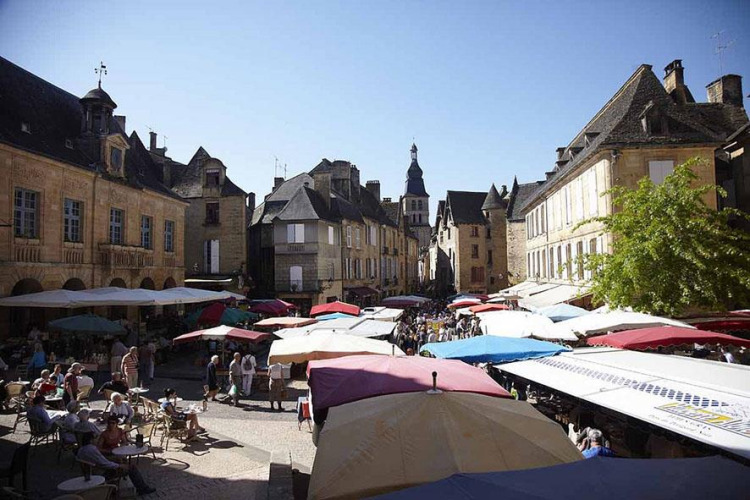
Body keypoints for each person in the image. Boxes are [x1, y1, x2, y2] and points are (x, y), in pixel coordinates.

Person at [78, 431, 156, 496]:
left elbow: (100, 460)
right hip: (103, 472)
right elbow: (105, 464)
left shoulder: (81, 449)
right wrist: (120, 465)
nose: (97, 440)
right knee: (132, 468)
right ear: (91, 440)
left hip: (95, 469)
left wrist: (115, 460)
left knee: (121, 459)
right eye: (95, 438)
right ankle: (142, 489)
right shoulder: (92, 449)